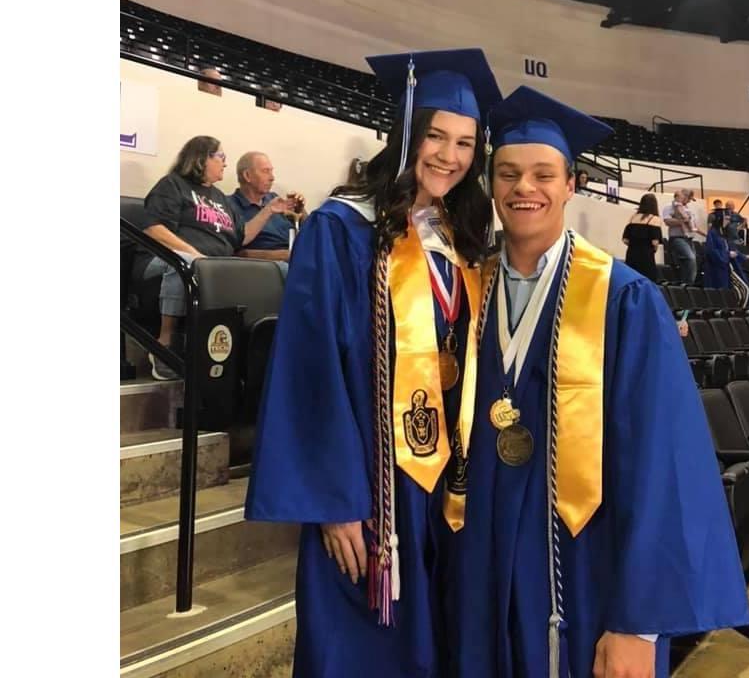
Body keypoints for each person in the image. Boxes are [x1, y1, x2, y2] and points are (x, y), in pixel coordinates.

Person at [444, 86, 749, 678]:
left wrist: (640, 622)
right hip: (481, 566)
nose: (524, 188)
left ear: (571, 185)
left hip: (587, 573)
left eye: (543, 174)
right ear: (491, 184)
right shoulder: (467, 291)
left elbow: (664, 462)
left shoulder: (625, 299)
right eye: (508, 173)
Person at [245, 50, 502, 678]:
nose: (449, 155)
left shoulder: (459, 237)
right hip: (372, 489)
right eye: (436, 136)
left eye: (465, 143)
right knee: (363, 650)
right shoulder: (342, 228)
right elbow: (310, 368)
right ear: (406, 133)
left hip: (446, 485)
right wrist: (335, 500)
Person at [137, 136, 293, 379]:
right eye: (220, 157)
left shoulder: (220, 198)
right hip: (164, 259)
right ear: (201, 158)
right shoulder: (173, 185)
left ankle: (271, 343)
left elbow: (242, 237)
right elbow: (154, 229)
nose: (225, 163)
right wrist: (197, 256)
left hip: (214, 264)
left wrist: (268, 210)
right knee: (189, 264)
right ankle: (166, 342)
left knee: (282, 270)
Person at [227, 151, 305, 271]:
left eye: (271, 171)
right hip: (269, 268)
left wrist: (300, 210)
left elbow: (308, 231)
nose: (272, 178)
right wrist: (285, 255)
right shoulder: (229, 205)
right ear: (247, 176)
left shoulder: (274, 198)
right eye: (265, 171)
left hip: (297, 258)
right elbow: (238, 253)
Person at [621, 193, 663, 281]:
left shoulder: (633, 218)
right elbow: (655, 242)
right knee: (647, 279)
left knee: (631, 278)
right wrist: (653, 249)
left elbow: (625, 240)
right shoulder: (654, 219)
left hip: (631, 252)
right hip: (646, 254)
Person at [703, 212, 749, 290]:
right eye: (726, 219)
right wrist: (727, 254)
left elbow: (732, 248)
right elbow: (711, 252)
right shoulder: (712, 233)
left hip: (726, 267)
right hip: (715, 268)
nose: (728, 221)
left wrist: (743, 256)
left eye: (729, 219)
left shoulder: (725, 234)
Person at [662, 191, 698, 284]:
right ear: (683, 196)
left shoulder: (688, 209)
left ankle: (687, 284)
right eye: (688, 198)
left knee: (691, 262)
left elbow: (693, 224)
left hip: (689, 237)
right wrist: (682, 221)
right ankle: (688, 283)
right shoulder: (669, 207)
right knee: (690, 258)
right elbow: (667, 221)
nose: (689, 201)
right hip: (677, 237)